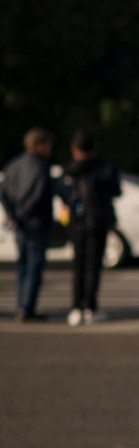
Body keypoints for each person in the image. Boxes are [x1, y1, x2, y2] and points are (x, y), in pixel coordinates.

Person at [64, 131, 121, 326]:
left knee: (78, 264)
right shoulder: (104, 167)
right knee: (93, 265)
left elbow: (63, 194)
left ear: (75, 149)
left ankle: (75, 307)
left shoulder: (70, 170)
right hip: (98, 220)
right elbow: (116, 190)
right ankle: (90, 306)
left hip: (78, 222)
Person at [2, 128, 59, 322]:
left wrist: (13, 216)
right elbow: (37, 194)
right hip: (35, 223)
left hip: (20, 223)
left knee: (23, 265)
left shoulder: (14, 165)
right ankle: (27, 308)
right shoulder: (40, 166)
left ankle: (21, 306)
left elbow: (4, 192)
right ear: (39, 145)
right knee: (34, 266)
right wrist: (23, 215)